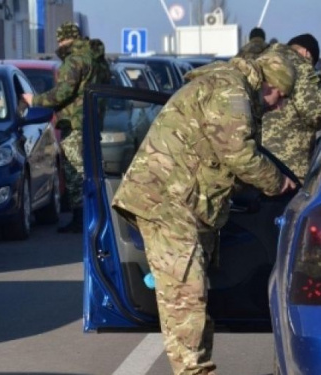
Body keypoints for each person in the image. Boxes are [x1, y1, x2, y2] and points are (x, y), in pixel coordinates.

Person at [111, 52, 297, 375]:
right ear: (268, 84)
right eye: (279, 97)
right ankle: (194, 371)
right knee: (187, 295)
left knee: (194, 297)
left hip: (184, 204)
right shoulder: (231, 90)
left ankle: (196, 368)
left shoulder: (235, 90)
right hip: (166, 202)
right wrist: (278, 182)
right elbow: (239, 155)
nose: (278, 106)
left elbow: (222, 162)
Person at [22, 22, 109, 233]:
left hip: (75, 123)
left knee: (75, 171)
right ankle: (94, 215)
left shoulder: (74, 60)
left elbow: (62, 93)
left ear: (64, 39)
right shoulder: (97, 59)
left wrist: (34, 100)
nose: (59, 44)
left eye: (60, 40)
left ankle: (81, 218)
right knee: (89, 170)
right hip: (92, 121)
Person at [260, 33, 321, 181]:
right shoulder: (303, 66)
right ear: (306, 53)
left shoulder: (263, 59)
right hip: (288, 162)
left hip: (257, 158)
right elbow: (315, 113)